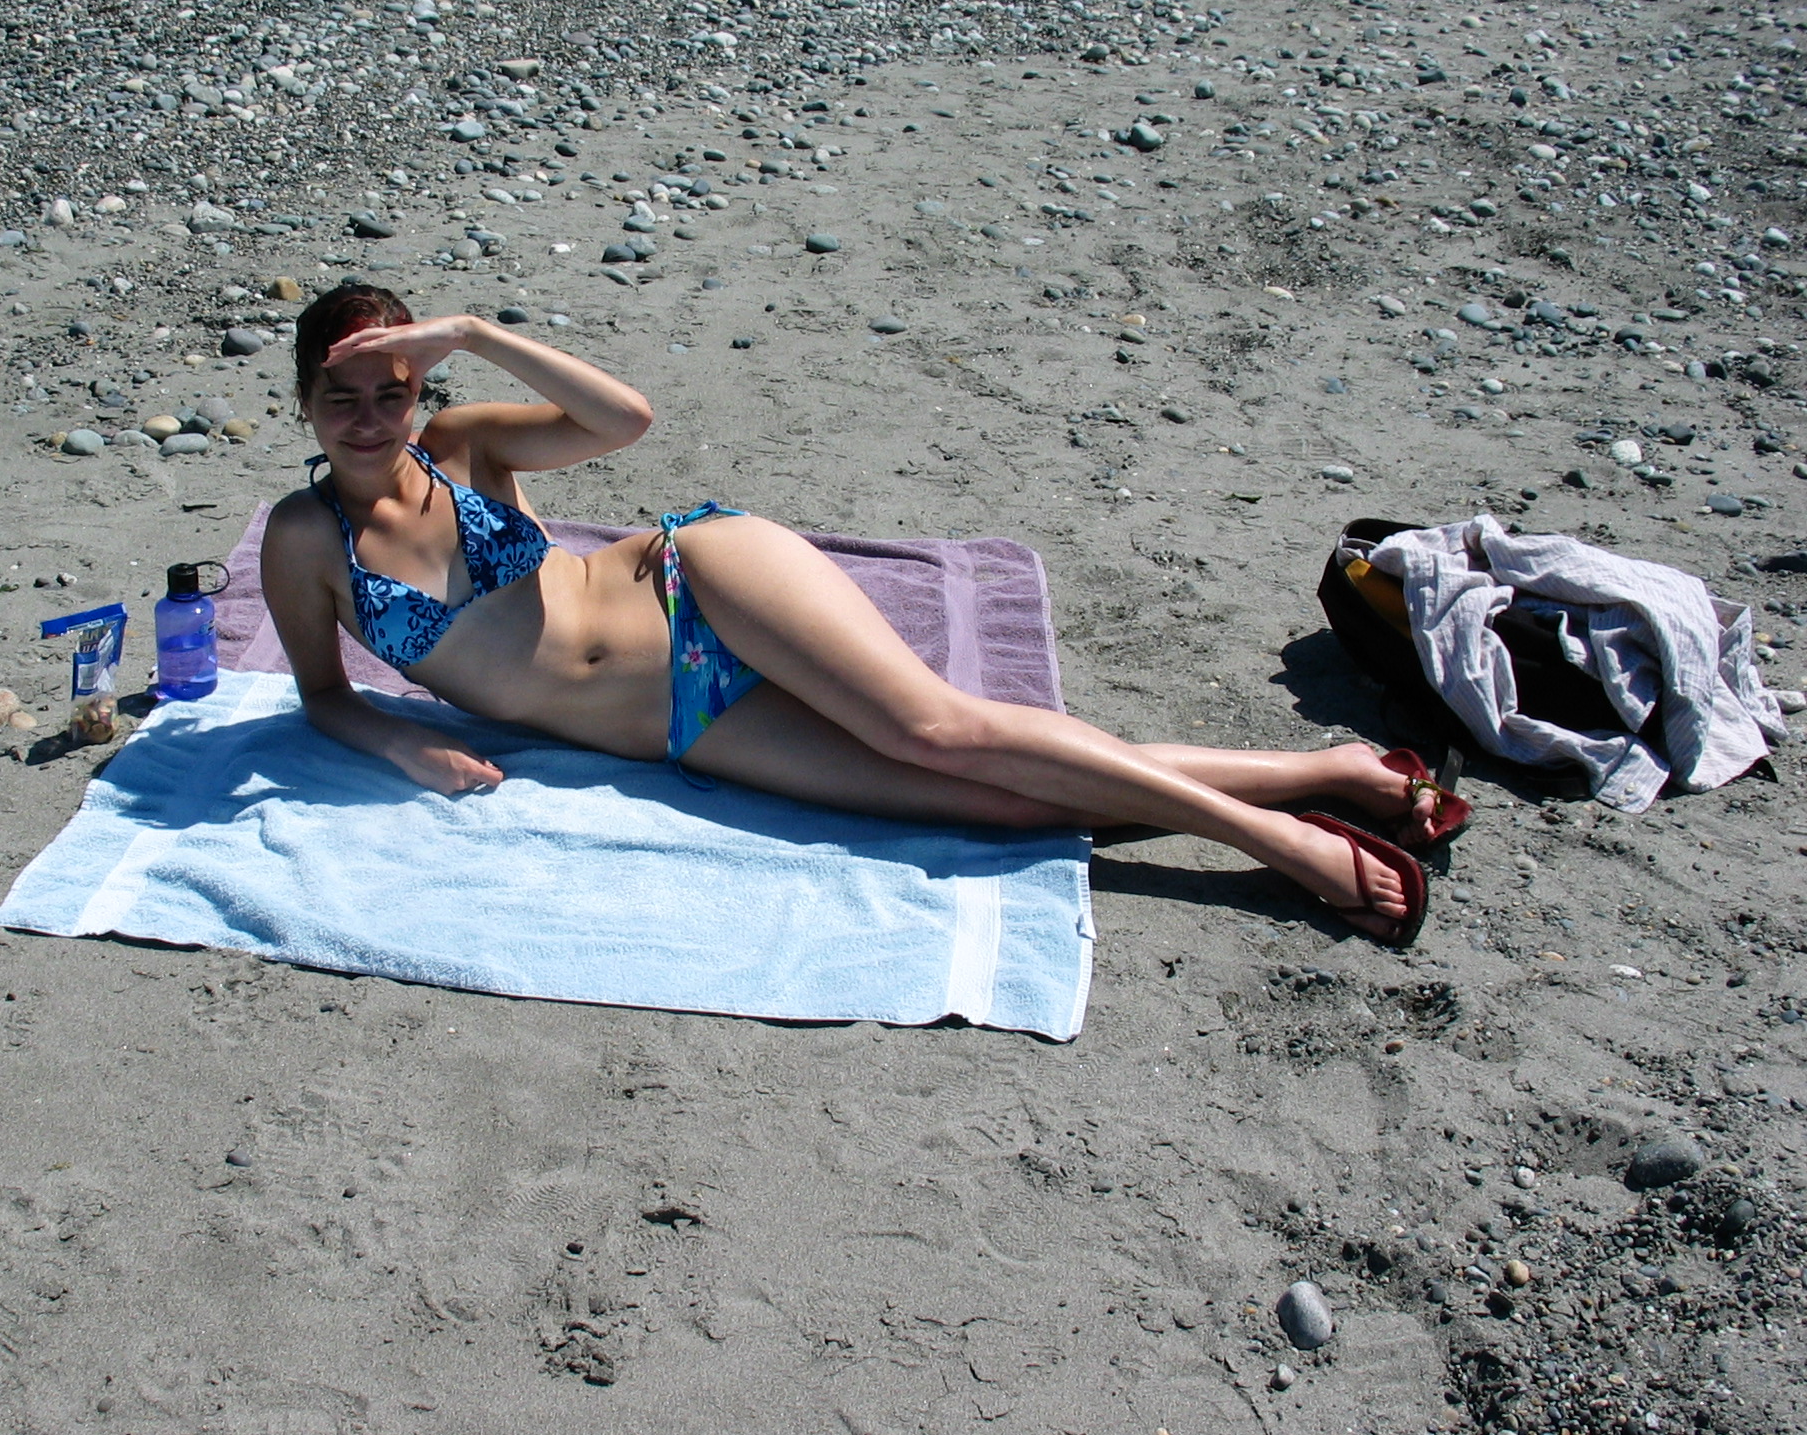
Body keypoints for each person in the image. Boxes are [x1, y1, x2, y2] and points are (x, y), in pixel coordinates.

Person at [260, 285, 1462, 944]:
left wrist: (474, 333)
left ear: (422, 387)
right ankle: (1327, 770)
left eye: (393, 391)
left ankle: (1280, 842)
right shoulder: (304, 541)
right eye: (341, 397)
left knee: (937, 728)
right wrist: (402, 742)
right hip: (682, 725)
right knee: (997, 806)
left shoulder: (464, 442)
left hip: (693, 583)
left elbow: (624, 422)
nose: (370, 419)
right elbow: (322, 694)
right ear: (304, 401)